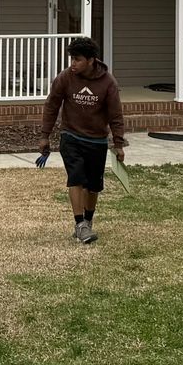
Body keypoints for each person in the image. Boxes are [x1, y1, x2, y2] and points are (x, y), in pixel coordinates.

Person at [38, 36, 126, 244]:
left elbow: (115, 115)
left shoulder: (108, 82)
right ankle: (79, 224)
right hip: (71, 136)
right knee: (76, 177)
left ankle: (87, 221)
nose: (73, 64)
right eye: (72, 59)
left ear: (91, 60)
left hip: (97, 140)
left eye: (77, 60)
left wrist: (119, 144)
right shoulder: (65, 77)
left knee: (93, 186)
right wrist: (44, 135)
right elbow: (52, 105)